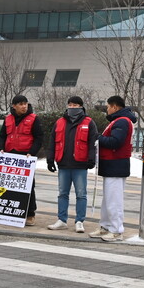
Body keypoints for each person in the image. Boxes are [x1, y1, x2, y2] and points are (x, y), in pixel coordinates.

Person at [46, 96, 97, 233]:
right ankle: (62, 220)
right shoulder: (60, 122)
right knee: (62, 193)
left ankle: (80, 221)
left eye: (75, 105)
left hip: (80, 165)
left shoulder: (89, 122)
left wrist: (92, 159)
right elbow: (52, 142)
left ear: (81, 106)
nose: (72, 107)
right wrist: (50, 159)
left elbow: (93, 143)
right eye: (70, 105)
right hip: (63, 164)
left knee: (81, 194)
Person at [90, 95, 137, 241]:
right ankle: (106, 226)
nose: (107, 109)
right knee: (108, 199)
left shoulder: (122, 122)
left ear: (115, 107)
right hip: (112, 164)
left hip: (116, 164)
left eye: (108, 107)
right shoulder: (119, 121)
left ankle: (116, 229)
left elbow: (115, 142)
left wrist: (97, 137)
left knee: (114, 199)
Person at [0, 94, 44, 226]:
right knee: (10, 185)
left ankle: (30, 213)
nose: (24, 106)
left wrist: (32, 152)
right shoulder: (8, 119)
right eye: (21, 104)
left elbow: (39, 137)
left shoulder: (34, 118)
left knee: (28, 185)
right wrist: (0, 148)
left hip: (25, 157)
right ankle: (12, 212)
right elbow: (2, 136)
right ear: (14, 106)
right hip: (10, 156)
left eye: (25, 104)